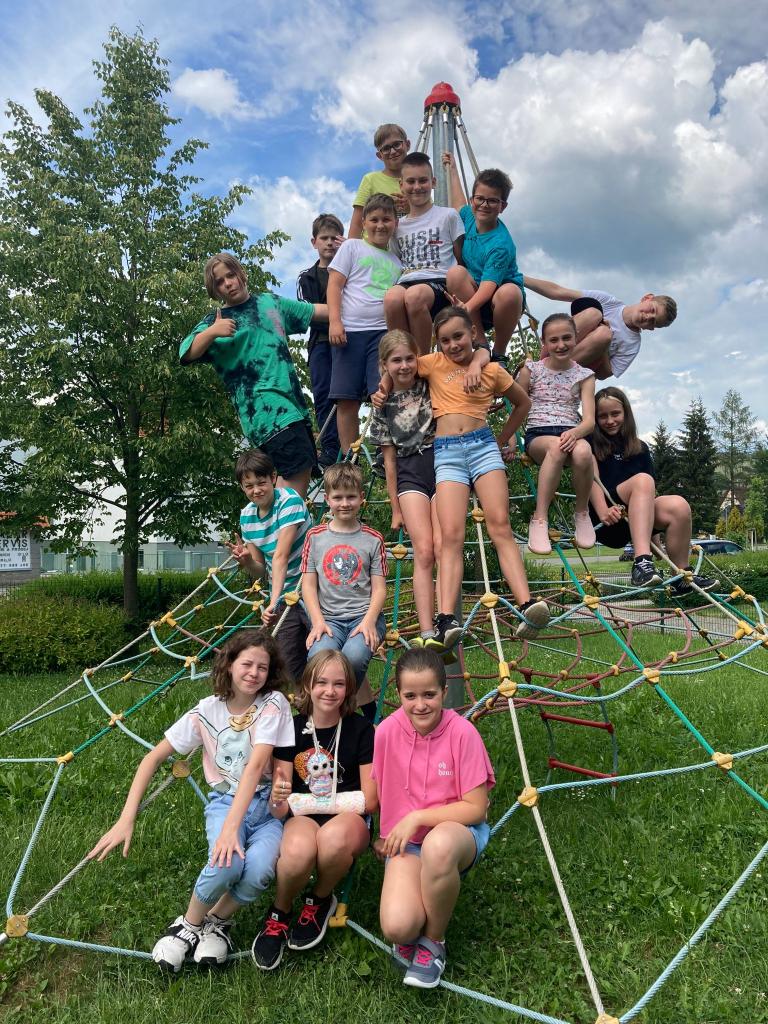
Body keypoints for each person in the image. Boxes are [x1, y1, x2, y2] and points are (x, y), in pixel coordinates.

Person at [88, 631, 294, 971]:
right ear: (229, 665)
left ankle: (215, 921)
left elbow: (257, 765)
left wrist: (244, 821)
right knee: (226, 864)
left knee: (258, 870)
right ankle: (187, 924)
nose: (254, 673)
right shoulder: (206, 712)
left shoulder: (273, 703)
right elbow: (152, 759)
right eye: (246, 664)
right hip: (226, 802)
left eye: (263, 667)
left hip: (265, 809)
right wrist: (127, 818)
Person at [375, 306, 549, 647]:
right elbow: (398, 364)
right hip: (447, 453)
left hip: (483, 446)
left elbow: (523, 403)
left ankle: (526, 604)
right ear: (437, 343)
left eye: (459, 336)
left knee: (500, 524)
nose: (453, 344)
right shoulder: (433, 364)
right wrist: (382, 386)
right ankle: (445, 619)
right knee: (451, 535)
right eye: (445, 340)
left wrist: (502, 438)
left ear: (472, 333)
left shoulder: (492, 370)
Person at [373, 648, 495, 989]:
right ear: (399, 694)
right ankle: (414, 924)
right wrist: (380, 833)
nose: (420, 705)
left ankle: (434, 940)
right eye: (410, 696)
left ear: (444, 691)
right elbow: (380, 789)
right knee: (397, 927)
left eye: (429, 694)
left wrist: (418, 817)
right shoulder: (386, 732)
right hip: (409, 845)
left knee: (437, 846)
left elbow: (476, 807)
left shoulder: (463, 733)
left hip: (456, 836)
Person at [250, 651, 377, 969]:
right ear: (307, 685)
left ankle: (319, 898)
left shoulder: (362, 730)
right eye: (321, 682)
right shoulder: (290, 729)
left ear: (349, 689)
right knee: (296, 854)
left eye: (338, 684)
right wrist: (279, 798)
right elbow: (280, 806)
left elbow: (370, 800)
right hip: (302, 817)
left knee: (331, 841)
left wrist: (331, 804)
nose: (329, 691)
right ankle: (280, 910)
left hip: (350, 819)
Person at [180, 252, 328, 497]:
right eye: (219, 282)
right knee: (296, 479)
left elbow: (317, 312)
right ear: (215, 290)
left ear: (242, 274)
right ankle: (281, 523)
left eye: (231, 275)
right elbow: (185, 352)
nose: (228, 283)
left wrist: (369, 306)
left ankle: (271, 523)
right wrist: (212, 332)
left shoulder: (270, 303)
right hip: (266, 411)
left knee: (286, 485)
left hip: (293, 407)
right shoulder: (215, 321)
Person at [589, 387, 718, 593]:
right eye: (602, 416)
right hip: (605, 518)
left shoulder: (640, 448)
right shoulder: (589, 443)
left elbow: (648, 496)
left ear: (626, 414)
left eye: (615, 414)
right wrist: (603, 509)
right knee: (643, 480)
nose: (610, 420)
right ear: (594, 418)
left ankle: (681, 576)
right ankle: (642, 562)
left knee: (678, 505)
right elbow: (591, 481)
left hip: (634, 520)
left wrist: (655, 540)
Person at [369, 329, 441, 645]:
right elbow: (389, 461)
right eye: (396, 360)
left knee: (443, 547)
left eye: (410, 358)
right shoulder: (382, 405)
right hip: (409, 472)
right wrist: (395, 508)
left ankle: (445, 621)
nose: (404, 365)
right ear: (384, 365)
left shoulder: (429, 383)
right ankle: (427, 632)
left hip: (441, 463)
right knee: (423, 550)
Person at [301, 462, 386, 719]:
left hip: (364, 617)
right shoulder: (315, 537)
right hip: (329, 620)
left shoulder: (373, 538)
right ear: (327, 499)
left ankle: (341, 714)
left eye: (351, 497)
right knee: (319, 658)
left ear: (361, 497)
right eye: (338, 497)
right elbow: (308, 585)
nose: (345, 503)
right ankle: (328, 714)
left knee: (354, 657)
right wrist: (317, 622)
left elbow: (379, 589)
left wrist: (369, 622)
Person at [226, 450, 313, 685]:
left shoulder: (289, 501)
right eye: (249, 486)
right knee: (288, 663)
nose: (256, 490)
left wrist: (272, 603)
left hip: (312, 587)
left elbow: (281, 556)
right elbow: (261, 571)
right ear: (242, 488)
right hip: (284, 593)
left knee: (321, 653)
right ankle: (303, 705)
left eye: (261, 482)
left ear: (273, 478)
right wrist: (246, 562)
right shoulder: (247, 517)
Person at [327, 194, 402, 454]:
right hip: (350, 331)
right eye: (374, 220)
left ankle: (385, 453)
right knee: (346, 399)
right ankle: (351, 458)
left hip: (382, 334)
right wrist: (335, 321)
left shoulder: (397, 261)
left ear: (395, 223)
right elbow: (335, 284)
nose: (380, 225)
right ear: (364, 223)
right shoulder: (352, 247)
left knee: (382, 393)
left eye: (386, 219)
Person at [517, 313, 597, 554]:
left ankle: (582, 513)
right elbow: (518, 406)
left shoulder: (585, 375)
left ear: (576, 338)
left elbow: (589, 421)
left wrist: (576, 433)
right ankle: (539, 518)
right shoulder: (531, 370)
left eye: (566, 338)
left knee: (584, 452)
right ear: (544, 342)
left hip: (571, 432)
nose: (561, 345)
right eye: (553, 340)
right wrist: (511, 441)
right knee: (556, 447)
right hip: (539, 435)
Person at [442, 153, 525, 362]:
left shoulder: (500, 244)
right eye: (479, 199)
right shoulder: (469, 216)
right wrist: (452, 169)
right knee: (455, 273)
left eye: (492, 201)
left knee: (509, 293)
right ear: (473, 200)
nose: (484, 205)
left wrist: (466, 309)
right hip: (472, 294)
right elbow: (458, 202)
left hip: (500, 302)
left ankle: (499, 353)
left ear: (502, 206)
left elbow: (488, 287)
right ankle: (480, 344)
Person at [384, 151, 465, 354]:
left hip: (438, 281)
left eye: (423, 180)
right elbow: (397, 260)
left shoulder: (448, 216)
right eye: (411, 181)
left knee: (415, 296)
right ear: (401, 185)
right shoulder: (398, 226)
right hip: (407, 279)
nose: (417, 187)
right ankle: (402, 355)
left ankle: (422, 359)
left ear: (433, 182)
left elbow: (461, 256)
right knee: (391, 298)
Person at [523, 276, 677, 380]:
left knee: (603, 334)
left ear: (651, 329)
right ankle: (544, 365)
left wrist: (605, 346)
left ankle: (550, 373)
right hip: (555, 348)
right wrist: (519, 278)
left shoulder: (632, 345)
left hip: (572, 370)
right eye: (652, 310)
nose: (648, 317)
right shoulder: (609, 302)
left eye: (653, 322)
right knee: (594, 313)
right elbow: (559, 292)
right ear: (647, 298)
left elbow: (603, 374)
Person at [297, 213, 345, 468]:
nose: (329, 243)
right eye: (324, 238)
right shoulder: (307, 277)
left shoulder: (351, 269)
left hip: (348, 340)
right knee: (323, 394)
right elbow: (309, 313)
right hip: (320, 342)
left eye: (335, 239)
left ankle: (349, 445)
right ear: (314, 241)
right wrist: (336, 313)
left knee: (347, 394)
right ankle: (330, 446)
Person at [348, 123, 411, 240]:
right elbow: (357, 225)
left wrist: (411, 208)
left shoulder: (418, 183)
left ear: (407, 145)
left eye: (397, 144)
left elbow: (427, 218)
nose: (393, 151)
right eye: (386, 148)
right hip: (373, 250)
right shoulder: (370, 180)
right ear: (379, 155)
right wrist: (351, 249)